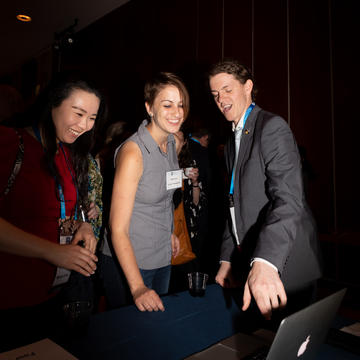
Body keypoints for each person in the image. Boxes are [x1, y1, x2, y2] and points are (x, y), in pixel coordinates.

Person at [208, 60, 322, 320]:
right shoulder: (230, 141)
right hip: (252, 263)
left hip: (284, 263)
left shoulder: (272, 127)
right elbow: (232, 204)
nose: (221, 99)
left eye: (227, 89)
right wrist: (226, 258)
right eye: (215, 94)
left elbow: (289, 199)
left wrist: (266, 261)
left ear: (248, 86)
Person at [0, 77, 106, 350]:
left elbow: (49, 214)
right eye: (78, 113)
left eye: (92, 117)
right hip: (9, 302)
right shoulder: (11, 142)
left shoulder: (66, 155)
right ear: (52, 106)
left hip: (52, 299)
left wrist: (81, 225)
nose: (84, 125)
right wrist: (51, 251)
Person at [109, 72, 189, 312]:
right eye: (167, 104)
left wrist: (170, 233)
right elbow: (117, 229)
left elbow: (162, 197)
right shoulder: (134, 152)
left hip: (162, 255)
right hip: (131, 263)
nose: (177, 112)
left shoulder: (172, 143)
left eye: (181, 105)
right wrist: (137, 287)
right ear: (149, 108)